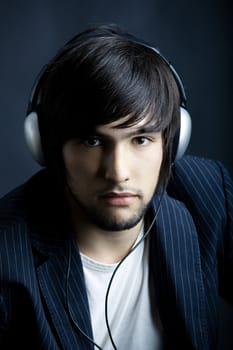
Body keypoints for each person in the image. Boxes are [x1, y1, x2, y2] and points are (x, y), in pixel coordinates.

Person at [0, 24, 232, 350]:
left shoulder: (208, 194)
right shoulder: (6, 251)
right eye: (92, 141)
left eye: (140, 139)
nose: (117, 172)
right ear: (49, 148)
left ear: (173, 143)